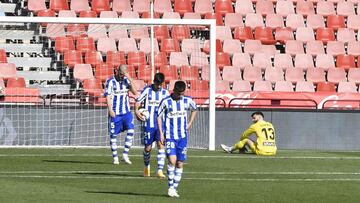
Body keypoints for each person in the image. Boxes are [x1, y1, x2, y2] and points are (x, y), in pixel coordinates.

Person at [157, 81, 197, 198]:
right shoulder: (166, 101)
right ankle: (170, 187)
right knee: (172, 161)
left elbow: (194, 109)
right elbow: (158, 115)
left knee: (180, 163)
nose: (181, 96)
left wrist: (189, 123)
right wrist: (161, 133)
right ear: (174, 90)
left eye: (182, 93)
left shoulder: (187, 100)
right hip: (170, 137)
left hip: (182, 137)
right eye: (179, 93)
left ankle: (174, 188)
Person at [134, 72, 170, 178]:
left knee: (161, 145)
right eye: (157, 84)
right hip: (148, 124)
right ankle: (146, 167)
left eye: (161, 84)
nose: (159, 86)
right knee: (148, 148)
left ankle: (159, 170)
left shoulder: (165, 93)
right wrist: (136, 111)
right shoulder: (147, 90)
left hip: (160, 124)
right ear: (154, 81)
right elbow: (138, 101)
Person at [104, 64, 138, 165]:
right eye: (121, 74)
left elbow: (135, 92)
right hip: (116, 113)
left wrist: (130, 78)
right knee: (113, 135)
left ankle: (125, 155)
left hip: (126, 112)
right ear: (117, 71)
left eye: (124, 74)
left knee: (131, 130)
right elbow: (108, 97)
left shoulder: (126, 80)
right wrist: (110, 110)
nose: (122, 76)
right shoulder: (111, 82)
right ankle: (115, 158)